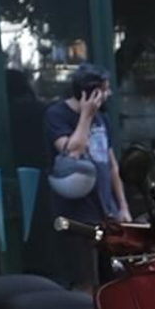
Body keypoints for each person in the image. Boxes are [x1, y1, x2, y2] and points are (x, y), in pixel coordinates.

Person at [44, 64, 130, 222]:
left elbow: (112, 165)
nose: (108, 94)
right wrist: (86, 115)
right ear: (92, 94)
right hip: (76, 213)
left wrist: (123, 206)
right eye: (104, 90)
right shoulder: (56, 115)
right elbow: (73, 151)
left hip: (105, 208)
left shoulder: (103, 118)